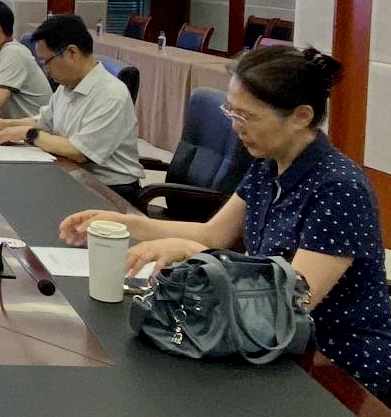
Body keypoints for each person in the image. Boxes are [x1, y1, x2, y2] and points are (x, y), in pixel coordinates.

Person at [59, 46, 391, 400]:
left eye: (247, 117)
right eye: (231, 112)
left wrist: (199, 254)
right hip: (263, 338)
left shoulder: (339, 188)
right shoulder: (268, 163)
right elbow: (212, 233)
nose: (235, 127)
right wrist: (126, 223)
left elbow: (295, 298)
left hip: (333, 362)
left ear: (300, 116)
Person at [0, 14, 144, 201]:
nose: (46, 70)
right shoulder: (67, 86)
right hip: (71, 174)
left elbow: (79, 152)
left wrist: (29, 134)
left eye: (47, 62)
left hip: (109, 191)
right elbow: (43, 122)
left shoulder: (111, 94)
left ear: (71, 53)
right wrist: (4, 124)